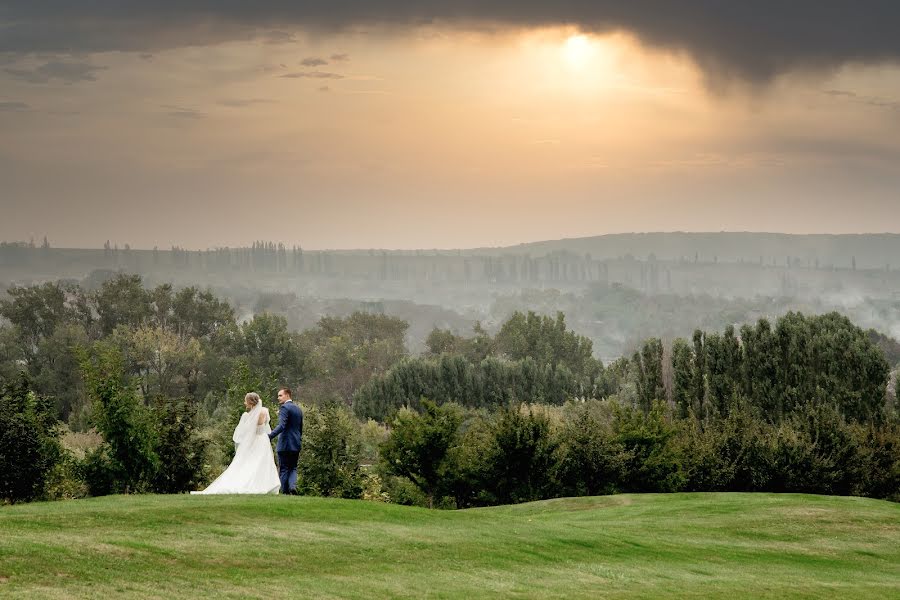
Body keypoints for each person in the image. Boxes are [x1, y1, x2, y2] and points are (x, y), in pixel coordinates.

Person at [192, 392, 280, 495]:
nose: (244, 403)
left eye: (246, 401)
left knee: (255, 462)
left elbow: (250, 430)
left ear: (250, 402)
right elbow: (263, 427)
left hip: (257, 440)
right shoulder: (262, 412)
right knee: (260, 462)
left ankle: (257, 483)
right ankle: (263, 484)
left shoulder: (251, 415)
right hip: (263, 440)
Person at [268, 386, 303, 495]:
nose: (278, 398)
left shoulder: (284, 408)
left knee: (283, 469)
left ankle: (284, 492)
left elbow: (282, 426)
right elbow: (300, 428)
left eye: (280, 395)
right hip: (296, 443)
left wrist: (269, 436)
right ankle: (292, 486)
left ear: (287, 395)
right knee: (293, 468)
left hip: (285, 443)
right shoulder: (298, 409)